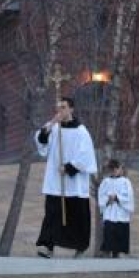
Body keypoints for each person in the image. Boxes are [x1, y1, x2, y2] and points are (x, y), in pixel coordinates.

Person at [34, 96, 98, 259]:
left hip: (74, 182)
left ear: (71, 109)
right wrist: (51, 124)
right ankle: (48, 247)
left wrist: (69, 167)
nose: (60, 111)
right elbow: (41, 141)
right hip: (56, 181)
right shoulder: (54, 128)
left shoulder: (81, 131)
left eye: (63, 107)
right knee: (52, 214)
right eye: (58, 108)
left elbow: (86, 156)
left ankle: (80, 247)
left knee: (77, 215)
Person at [97, 159, 134, 258]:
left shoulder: (126, 182)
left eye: (116, 168)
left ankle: (117, 252)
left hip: (121, 211)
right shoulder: (105, 181)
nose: (114, 171)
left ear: (120, 169)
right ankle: (107, 251)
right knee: (109, 230)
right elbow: (101, 194)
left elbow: (129, 196)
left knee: (120, 231)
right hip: (110, 210)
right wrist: (107, 199)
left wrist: (117, 198)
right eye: (112, 169)